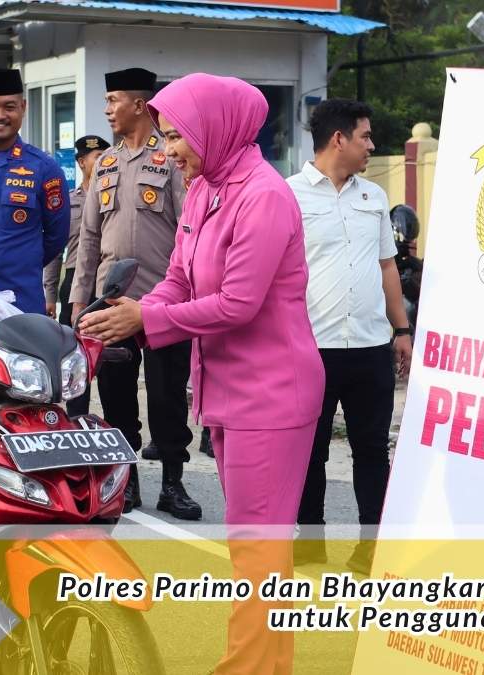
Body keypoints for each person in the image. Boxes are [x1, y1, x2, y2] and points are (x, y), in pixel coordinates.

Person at [79, 73, 323, 674]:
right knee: (255, 550)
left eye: (174, 136)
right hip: (229, 390)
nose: (167, 151)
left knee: (258, 552)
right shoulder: (206, 188)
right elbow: (179, 279)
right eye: (163, 137)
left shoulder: (262, 196)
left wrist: (148, 319)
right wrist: (135, 311)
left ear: (213, 129)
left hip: (271, 392)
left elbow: (238, 303)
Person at [287, 99, 411, 573]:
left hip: (370, 346)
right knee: (309, 451)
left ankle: (371, 546)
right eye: (365, 136)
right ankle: (309, 542)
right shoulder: (288, 195)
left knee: (372, 450)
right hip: (311, 348)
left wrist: (401, 330)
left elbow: (387, 267)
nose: (372, 145)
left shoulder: (374, 197)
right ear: (338, 139)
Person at [69, 68, 200, 519]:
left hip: (162, 304)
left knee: (167, 399)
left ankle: (173, 484)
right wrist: (79, 302)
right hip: (109, 304)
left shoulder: (171, 158)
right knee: (117, 399)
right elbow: (89, 238)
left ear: (140, 105)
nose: (107, 109)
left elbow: (188, 230)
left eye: (114, 100)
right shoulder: (104, 164)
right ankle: (125, 483)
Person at [0, 67, 70, 314]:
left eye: (9, 107)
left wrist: (20, 262)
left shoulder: (44, 168)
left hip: (21, 301)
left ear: (23, 107)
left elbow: (56, 237)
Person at [43, 134, 110, 417]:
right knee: (75, 356)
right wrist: (49, 295)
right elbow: (54, 252)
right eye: (97, 157)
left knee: (108, 356)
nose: (104, 161)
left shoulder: (112, 197)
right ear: (82, 162)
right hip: (73, 283)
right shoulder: (68, 202)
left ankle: (113, 420)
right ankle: (76, 418)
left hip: (106, 282)